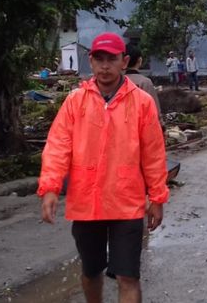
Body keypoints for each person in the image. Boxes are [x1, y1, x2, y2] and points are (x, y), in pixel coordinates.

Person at [37, 32, 169, 303]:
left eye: (112, 59)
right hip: (87, 201)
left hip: (127, 201)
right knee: (91, 271)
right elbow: (58, 146)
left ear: (125, 61)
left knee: (128, 276)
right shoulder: (76, 101)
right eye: (100, 59)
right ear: (91, 61)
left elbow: (153, 154)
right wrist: (50, 187)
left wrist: (157, 197)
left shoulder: (141, 102)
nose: (105, 66)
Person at [125, 43, 163, 125]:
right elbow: (154, 111)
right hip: (141, 127)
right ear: (140, 61)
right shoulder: (144, 82)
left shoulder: (116, 82)